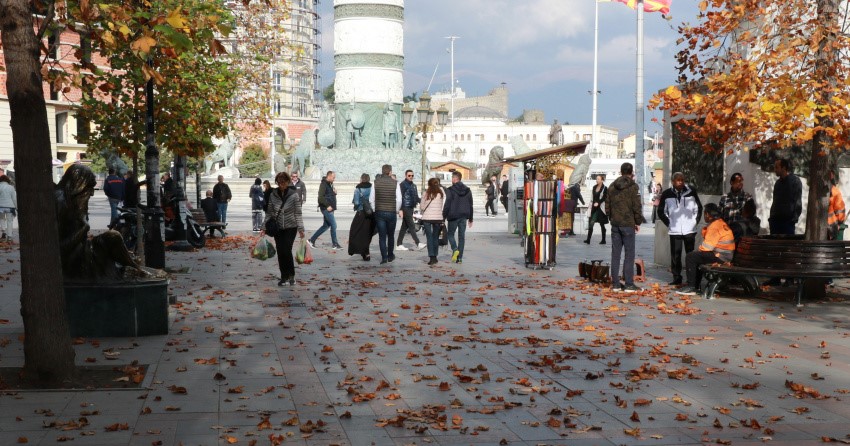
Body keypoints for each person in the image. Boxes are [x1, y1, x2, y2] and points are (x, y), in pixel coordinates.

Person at [676, 203, 735, 296]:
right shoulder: (720, 222)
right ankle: (695, 285)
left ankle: (691, 286)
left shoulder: (714, 226)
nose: (704, 216)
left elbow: (706, 248)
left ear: (708, 214)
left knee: (691, 257)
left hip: (721, 257)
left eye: (704, 213)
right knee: (697, 257)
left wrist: (698, 251)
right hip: (724, 255)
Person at [658, 172, 703, 286]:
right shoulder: (667, 194)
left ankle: (691, 279)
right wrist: (670, 223)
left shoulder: (691, 191)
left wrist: (694, 222)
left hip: (689, 230)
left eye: (682, 180)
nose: (680, 182)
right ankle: (677, 277)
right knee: (675, 256)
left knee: (690, 255)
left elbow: (698, 208)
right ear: (673, 181)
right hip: (675, 230)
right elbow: (661, 211)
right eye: (678, 180)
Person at [605, 162, 643, 293]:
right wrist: (638, 221)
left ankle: (615, 283)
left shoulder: (611, 186)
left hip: (615, 223)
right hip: (628, 224)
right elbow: (637, 206)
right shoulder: (633, 187)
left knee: (615, 254)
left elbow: (607, 205)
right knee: (629, 254)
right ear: (631, 172)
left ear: (621, 172)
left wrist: (611, 217)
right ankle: (628, 283)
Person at [263, 172, 305, 286]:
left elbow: (298, 213)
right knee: (281, 252)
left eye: (283, 182)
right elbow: (269, 212)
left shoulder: (294, 195)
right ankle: (283, 276)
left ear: (287, 182)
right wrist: (263, 226)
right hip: (278, 228)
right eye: (279, 182)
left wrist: (301, 229)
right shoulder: (273, 194)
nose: (281, 184)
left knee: (286, 250)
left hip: (291, 227)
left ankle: (291, 275)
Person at [370, 164, 402, 264]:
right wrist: (396, 210)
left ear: (382, 171)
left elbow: (371, 199)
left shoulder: (375, 183)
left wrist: (375, 209)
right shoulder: (395, 183)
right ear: (390, 172)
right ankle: (390, 255)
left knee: (382, 236)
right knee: (391, 235)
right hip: (391, 212)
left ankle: (384, 257)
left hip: (379, 212)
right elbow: (399, 199)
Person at [443, 170, 474, 263]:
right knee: (461, 237)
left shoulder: (450, 190)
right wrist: (471, 218)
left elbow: (447, 204)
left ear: (454, 179)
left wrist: (443, 216)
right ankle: (459, 258)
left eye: (452, 178)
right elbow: (470, 204)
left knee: (450, 234)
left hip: (453, 215)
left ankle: (455, 249)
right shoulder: (468, 190)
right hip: (464, 216)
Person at [769, 158, 802, 235]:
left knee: (787, 245)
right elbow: (775, 201)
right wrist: (771, 218)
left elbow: (798, 201)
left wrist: (794, 219)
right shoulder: (777, 183)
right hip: (775, 221)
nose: (775, 169)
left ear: (783, 168)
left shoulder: (795, 181)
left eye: (777, 167)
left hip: (788, 222)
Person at [308, 171, 341, 250]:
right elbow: (320, 198)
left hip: (330, 208)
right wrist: (327, 206)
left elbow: (328, 195)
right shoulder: (323, 184)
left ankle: (311, 240)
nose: (334, 179)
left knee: (325, 226)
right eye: (333, 177)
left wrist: (334, 193)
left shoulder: (330, 184)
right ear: (329, 176)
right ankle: (335, 244)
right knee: (334, 225)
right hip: (326, 208)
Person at [396, 170, 425, 251]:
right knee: (412, 225)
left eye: (412, 175)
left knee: (404, 227)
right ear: (406, 176)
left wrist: (423, 202)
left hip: (411, 207)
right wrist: (400, 209)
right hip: (405, 207)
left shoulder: (414, 186)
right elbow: (400, 198)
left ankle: (399, 244)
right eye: (409, 175)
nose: (411, 177)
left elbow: (416, 197)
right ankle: (418, 243)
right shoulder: (402, 185)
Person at [349, 173, 375, 261]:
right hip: (370, 214)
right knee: (368, 233)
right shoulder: (372, 188)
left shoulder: (358, 189)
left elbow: (356, 202)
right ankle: (366, 253)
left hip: (361, 213)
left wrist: (355, 205)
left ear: (361, 179)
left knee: (355, 231)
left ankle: (355, 249)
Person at [420, 177, 446, 265]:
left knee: (429, 237)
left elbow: (422, 207)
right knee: (435, 237)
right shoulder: (441, 194)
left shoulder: (426, 193)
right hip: (438, 218)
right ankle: (435, 256)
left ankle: (431, 257)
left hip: (427, 218)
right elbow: (442, 206)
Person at [584, 175, 608, 244]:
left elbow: (604, 198)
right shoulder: (594, 187)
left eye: (598, 179)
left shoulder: (605, 188)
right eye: (596, 179)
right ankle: (588, 239)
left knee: (602, 224)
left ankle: (603, 240)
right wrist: (590, 206)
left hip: (601, 209)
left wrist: (598, 203)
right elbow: (592, 198)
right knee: (591, 222)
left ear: (602, 180)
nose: (597, 180)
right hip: (594, 208)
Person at [828, 171, 846, 240]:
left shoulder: (814, 190)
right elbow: (840, 210)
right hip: (831, 227)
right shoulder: (835, 191)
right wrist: (840, 222)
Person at [0, 175, 16, 240]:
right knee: (10, 221)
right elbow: (14, 199)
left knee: (2, 219)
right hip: (10, 206)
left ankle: (3, 232)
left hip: (1, 206)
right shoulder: (11, 187)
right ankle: (9, 236)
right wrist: (16, 207)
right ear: (7, 180)